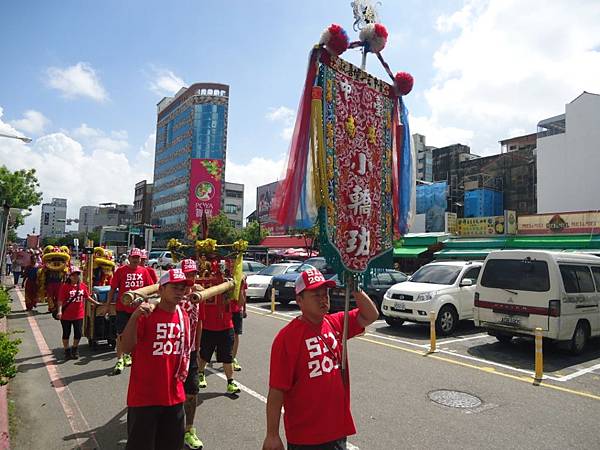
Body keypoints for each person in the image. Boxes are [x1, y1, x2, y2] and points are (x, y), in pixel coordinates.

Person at [262, 268, 379, 450]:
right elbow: (277, 391)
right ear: (299, 300)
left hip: (337, 430)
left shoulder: (336, 322)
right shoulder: (286, 338)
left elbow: (371, 315)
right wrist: (272, 435)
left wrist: (354, 287)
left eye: (325, 293)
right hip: (306, 437)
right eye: (316, 294)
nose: (323, 298)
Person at [121, 268, 191, 450]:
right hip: (145, 398)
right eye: (174, 287)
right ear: (160, 289)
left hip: (174, 398)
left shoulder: (183, 316)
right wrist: (135, 316)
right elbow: (125, 348)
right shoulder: (146, 314)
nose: (180, 292)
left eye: (182, 288)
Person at [108, 248, 154, 375]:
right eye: (133, 257)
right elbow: (112, 289)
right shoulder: (121, 271)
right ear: (129, 258)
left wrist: (147, 302)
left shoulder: (144, 271)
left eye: (137, 258)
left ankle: (130, 355)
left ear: (140, 259)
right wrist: (107, 305)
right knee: (121, 334)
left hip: (138, 309)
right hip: (122, 308)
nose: (135, 260)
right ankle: (120, 359)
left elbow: (150, 289)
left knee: (138, 335)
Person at [197, 266, 241, 395]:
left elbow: (238, 302)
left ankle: (230, 382)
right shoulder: (203, 281)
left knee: (227, 357)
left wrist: (239, 286)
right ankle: (200, 373)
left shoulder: (230, 282)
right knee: (204, 355)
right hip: (208, 326)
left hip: (226, 326)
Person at [179, 259, 205, 449]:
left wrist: (197, 349)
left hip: (191, 352)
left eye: (193, 273)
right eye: (187, 273)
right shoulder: (173, 293)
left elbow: (199, 323)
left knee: (192, 393)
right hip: (173, 353)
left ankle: (189, 429)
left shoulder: (198, 295)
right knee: (170, 394)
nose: (191, 277)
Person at [57, 267, 99, 359]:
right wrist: (59, 311)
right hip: (66, 315)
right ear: (70, 276)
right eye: (73, 275)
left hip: (78, 314)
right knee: (66, 333)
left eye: (77, 275)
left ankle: (75, 349)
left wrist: (96, 303)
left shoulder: (83, 286)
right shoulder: (65, 286)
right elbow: (60, 300)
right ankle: (67, 350)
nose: (76, 277)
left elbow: (87, 297)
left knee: (78, 333)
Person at [231, 275, 247, 371]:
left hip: (236, 310)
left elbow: (244, 294)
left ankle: (233, 358)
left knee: (236, 334)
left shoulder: (241, 276)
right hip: (226, 310)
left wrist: (244, 309)